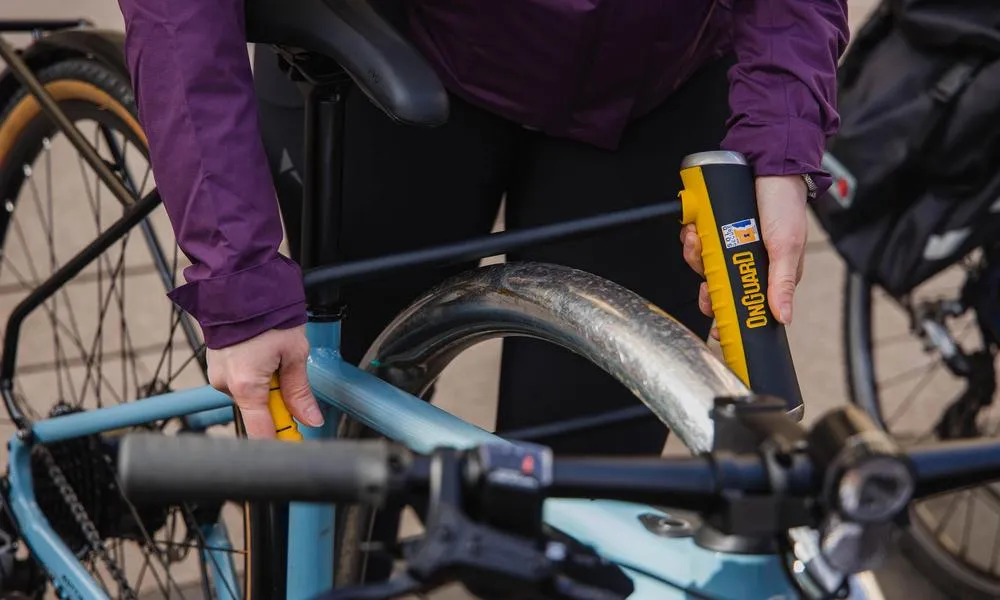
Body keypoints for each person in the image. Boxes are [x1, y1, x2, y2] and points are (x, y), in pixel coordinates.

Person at [117, 0, 848, 451]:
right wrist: (237, 270)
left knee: (581, 508)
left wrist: (777, 147)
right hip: (394, 52)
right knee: (337, 462)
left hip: (656, 77)